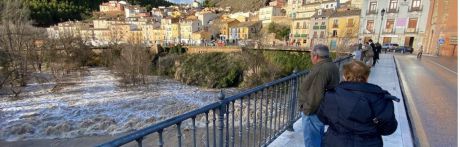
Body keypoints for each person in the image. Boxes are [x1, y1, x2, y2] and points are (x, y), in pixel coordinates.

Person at [317, 60, 399, 147]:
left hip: (335, 142)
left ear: (345, 76)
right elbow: (389, 128)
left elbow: (323, 118)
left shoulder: (331, 95)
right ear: (366, 77)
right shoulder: (380, 98)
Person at [299, 44, 340, 147]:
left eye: (311, 56)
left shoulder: (321, 70)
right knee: (318, 139)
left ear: (315, 56)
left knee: (312, 142)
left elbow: (316, 94)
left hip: (313, 113)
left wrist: (307, 110)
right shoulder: (332, 66)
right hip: (322, 110)